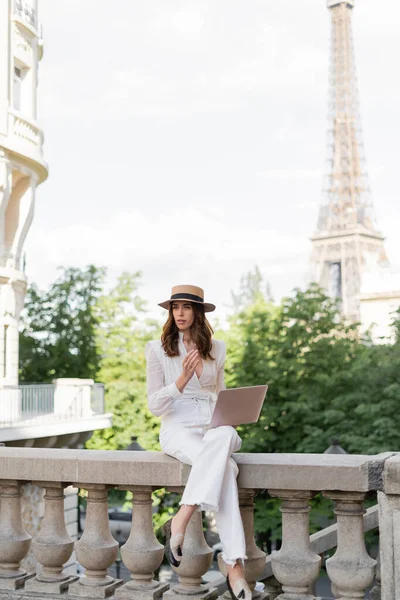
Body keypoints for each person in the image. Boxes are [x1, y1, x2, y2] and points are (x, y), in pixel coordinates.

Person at [145, 285, 251, 600]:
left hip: (212, 425)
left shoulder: (217, 348)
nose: (179, 313)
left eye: (186, 307)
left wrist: (232, 410)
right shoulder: (157, 349)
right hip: (178, 428)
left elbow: (220, 392)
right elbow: (154, 406)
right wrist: (180, 380)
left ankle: (181, 517)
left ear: (198, 312)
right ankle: (235, 568)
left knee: (228, 434)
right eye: (175, 307)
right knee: (227, 469)